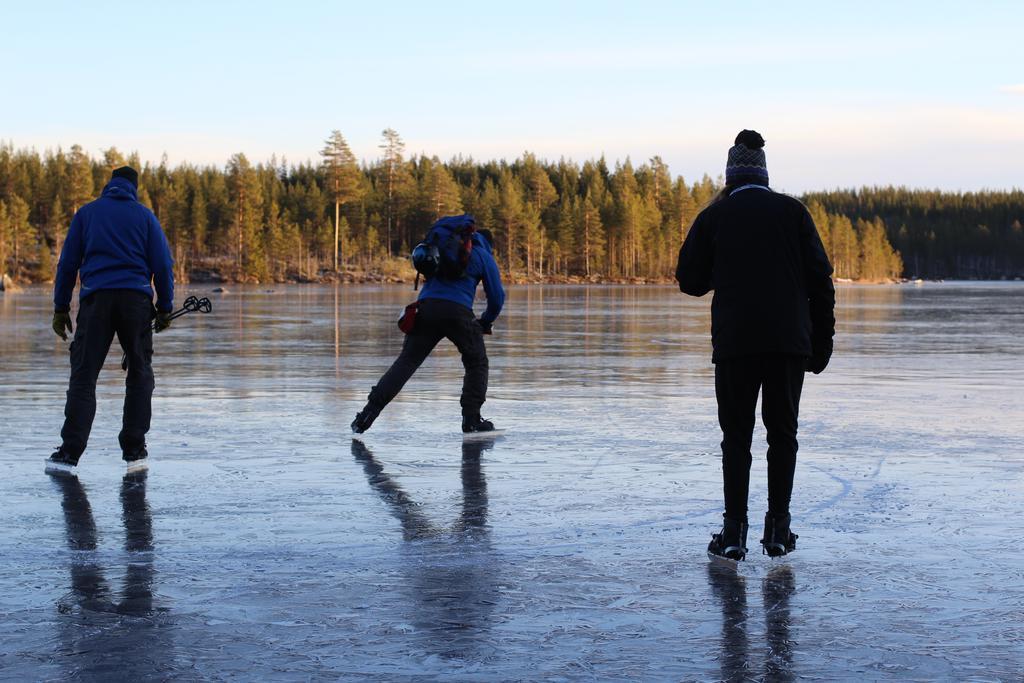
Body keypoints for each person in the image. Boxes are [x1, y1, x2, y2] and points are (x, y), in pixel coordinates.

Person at [676, 130, 835, 562]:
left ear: (730, 175)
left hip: (736, 343)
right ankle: (779, 530)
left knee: (737, 437)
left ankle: (733, 533)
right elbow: (821, 281)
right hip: (788, 344)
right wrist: (822, 343)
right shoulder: (793, 212)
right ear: (764, 175)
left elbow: (689, 280)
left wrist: (724, 272)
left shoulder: (716, 215)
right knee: (783, 435)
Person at [47, 166, 174, 473]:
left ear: (109, 185)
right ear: (134, 187)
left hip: (96, 302)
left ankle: (69, 453)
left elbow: (67, 264)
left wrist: (61, 307)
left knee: (84, 375)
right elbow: (163, 264)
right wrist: (166, 306)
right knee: (140, 373)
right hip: (136, 303)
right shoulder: (145, 217)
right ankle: (134, 449)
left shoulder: (87, 214)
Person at [352, 214, 505, 435]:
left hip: (426, 308)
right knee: (476, 363)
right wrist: (486, 321)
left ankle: (366, 415)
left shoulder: (444, 248)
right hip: (458, 312)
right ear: (488, 243)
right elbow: (497, 297)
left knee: (407, 362)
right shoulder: (482, 254)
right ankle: (471, 420)